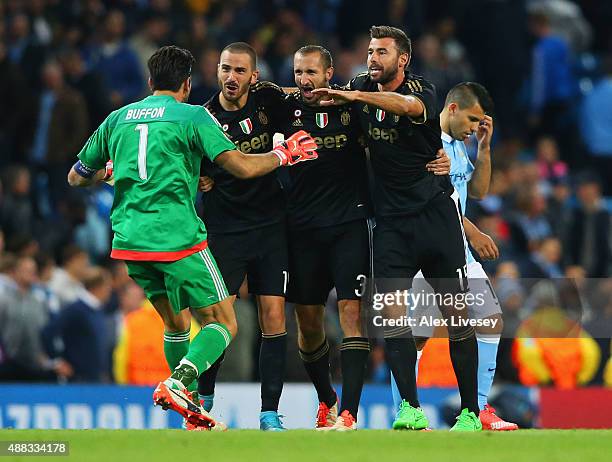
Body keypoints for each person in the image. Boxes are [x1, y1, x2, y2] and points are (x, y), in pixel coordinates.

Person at [67, 45, 318, 430]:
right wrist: (284, 155)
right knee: (224, 324)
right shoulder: (193, 116)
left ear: (150, 82)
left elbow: (76, 176)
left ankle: (193, 411)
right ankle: (178, 382)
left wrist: (108, 172)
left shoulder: (118, 118)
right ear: (187, 84)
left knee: (176, 325)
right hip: (176, 237)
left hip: (130, 240)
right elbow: (242, 167)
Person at [313, 25, 481, 431]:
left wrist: (356, 96)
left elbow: (405, 107)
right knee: (391, 316)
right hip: (390, 224)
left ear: (401, 59)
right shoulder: (357, 86)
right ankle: (410, 407)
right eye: (370, 51)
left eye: (381, 52)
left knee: (457, 317)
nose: (372, 58)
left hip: (434, 217)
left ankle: (471, 412)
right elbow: (316, 98)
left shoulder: (424, 90)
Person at [388, 82, 519, 430]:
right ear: (452, 109)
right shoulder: (427, 143)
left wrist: (484, 148)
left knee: (490, 320)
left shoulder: (461, 146)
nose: (475, 128)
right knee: (418, 333)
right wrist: (473, 231)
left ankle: (478, 408)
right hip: (428, 248)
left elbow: (475, 190)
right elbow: (433, 200)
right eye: (473, 120)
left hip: (459, 252)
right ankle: (404, 408)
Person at [195, 42, 290, 431]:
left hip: (270, 227)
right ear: (217, 72)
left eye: (239, 71)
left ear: (254, 76)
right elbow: (188, 166)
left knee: (274, 317)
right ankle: (203, 404)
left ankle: (269, 413)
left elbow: (300, 108)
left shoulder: (270, 99)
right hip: (224, 230)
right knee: (220, 320)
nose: (230, 77)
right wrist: (197, 178)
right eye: (225, 69)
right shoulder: (203, 118)